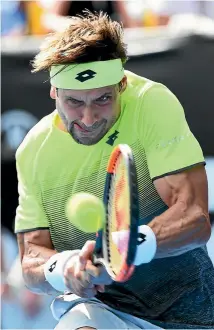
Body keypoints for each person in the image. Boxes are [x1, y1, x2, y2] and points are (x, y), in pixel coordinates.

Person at [15, 11, 214, 330]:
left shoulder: (152, 102)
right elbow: (31, 260)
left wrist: (124, 248)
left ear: (122, 84)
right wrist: (65, 266)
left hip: (189, 306)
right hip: (99, 307)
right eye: (74, 103)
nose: (89, 117)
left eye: (103, 99)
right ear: (54, 92)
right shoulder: (33, 150)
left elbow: (194, 217)